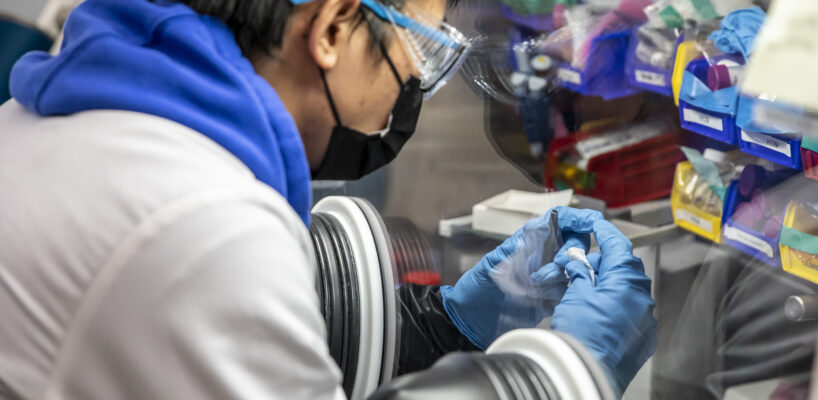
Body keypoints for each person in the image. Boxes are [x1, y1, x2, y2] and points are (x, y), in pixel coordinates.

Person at [0, 0, 656, 398]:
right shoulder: (202, 225)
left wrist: (442, 326)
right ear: (334, 28)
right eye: (424, 51)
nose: (415, 89)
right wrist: (560, 373)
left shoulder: (83, 124)